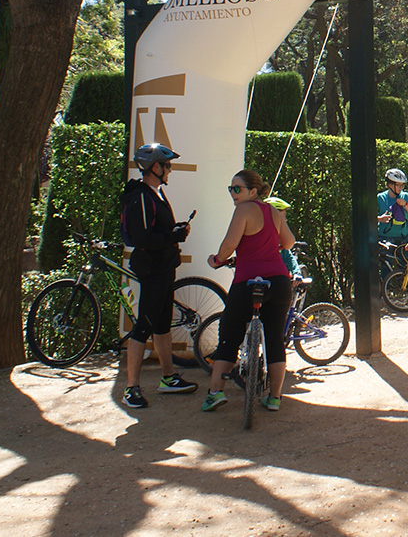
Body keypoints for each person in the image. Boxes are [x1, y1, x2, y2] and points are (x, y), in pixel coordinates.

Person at [201, 169, 297, 412]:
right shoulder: (274, 212)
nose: (233, 193)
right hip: (278, 280)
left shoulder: (243, 209)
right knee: (275, 338)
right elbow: (289, 243)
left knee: (229, 335)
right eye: (230, 189)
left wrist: (217, 260)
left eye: (237, 189)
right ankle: (274, 397)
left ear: (252, 191)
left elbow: (229, 244)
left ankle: (215, 393)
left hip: (248, 281)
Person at [117, 143, 197, 409]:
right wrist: (170, 237)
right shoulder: (141, 196)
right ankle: (131, 388)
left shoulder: (156, 193)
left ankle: (168, 377)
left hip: (163, 268)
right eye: (167, 165)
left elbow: (155, 230)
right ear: (155, 167)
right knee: (144, 327)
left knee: (162, 326)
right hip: (152, 270)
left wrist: (174, 231)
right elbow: (141, 237)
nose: (170, 170)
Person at [377, 168, 408, 245]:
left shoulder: (405, 196)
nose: (400, 188)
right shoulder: (380, 198)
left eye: (402, 185)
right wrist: (379, 219)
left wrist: (405, 204)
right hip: (384, 239)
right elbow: (367, 218)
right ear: (389, 184)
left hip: (403, 238)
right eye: (398, 185)